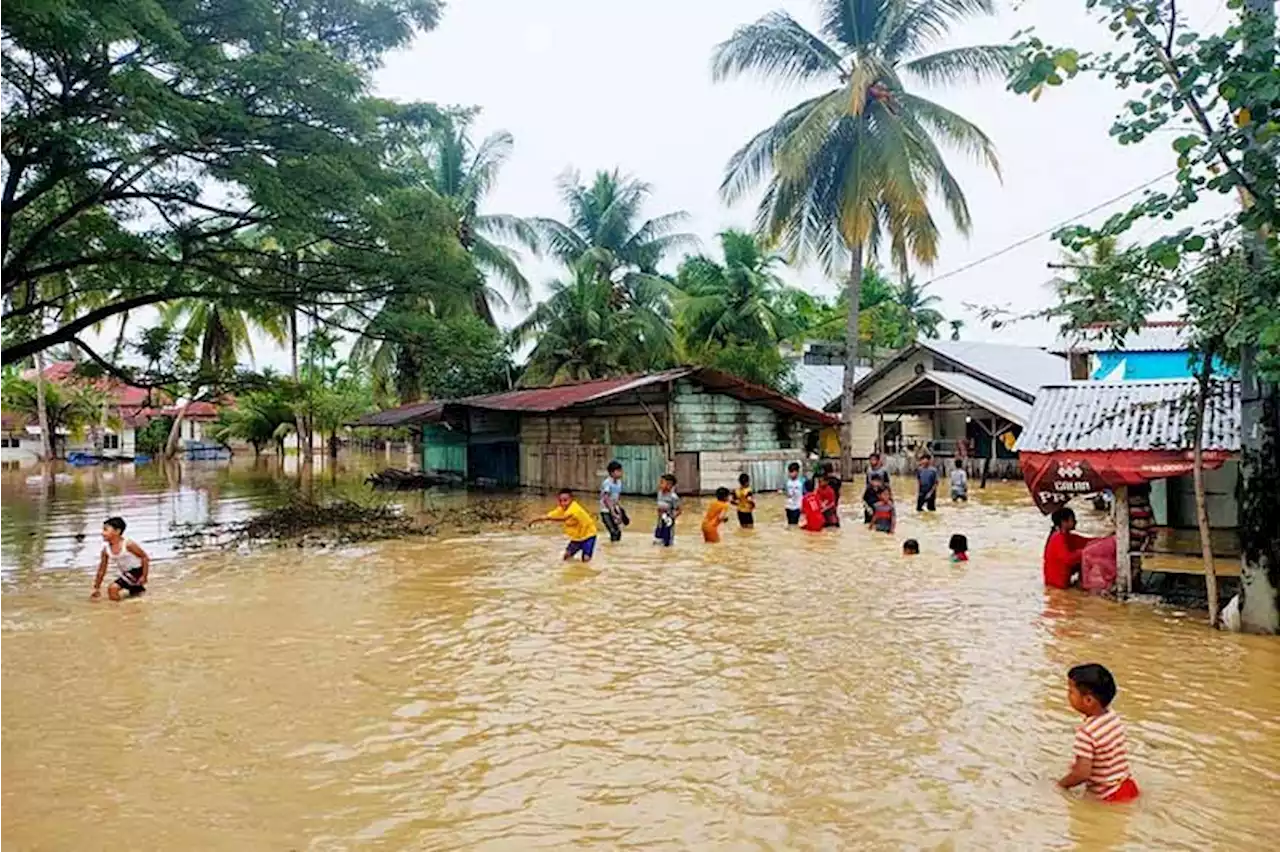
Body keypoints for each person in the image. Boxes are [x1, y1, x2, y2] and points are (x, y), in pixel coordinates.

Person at [1058, 663, 1140, 803]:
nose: (1068, 695)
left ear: (1088, 700)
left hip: (1108, 796)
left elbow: (1082, 774)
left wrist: (1060, 785)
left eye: (1071, 691)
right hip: (1127, 786)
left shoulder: (1086, 733)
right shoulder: (1112, 716)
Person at [529, 489, 599, 562]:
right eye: (560, 501)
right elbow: (549, 515)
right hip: (577, 537)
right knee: (566, 557)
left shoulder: (575, 508)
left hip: (588, 535)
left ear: (571, 500)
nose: (563, 503)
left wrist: (547, 518)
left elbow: (563, 518)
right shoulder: (562, 509)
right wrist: (535, 519)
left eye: (565, 500)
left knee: (586, 558)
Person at [93, 516, 150, 600]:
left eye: (105, 530)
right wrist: (97, 587)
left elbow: (145, 557)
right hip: (126, 573)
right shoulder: (106, 550)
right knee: (136, 595)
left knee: (112, 589)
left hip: (137, 571)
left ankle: (116, 609)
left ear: (117, 531)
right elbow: (102, 570)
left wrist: (144, 576)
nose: (102, 533)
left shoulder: (128, 544)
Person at [1044, 507, 1094, 589]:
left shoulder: (1066, 536)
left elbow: (1086, 541)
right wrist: (1085, 552)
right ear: (1064, 522)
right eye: (1073, 519)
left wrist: (1106, 539)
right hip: (1057, 585)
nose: (1075, 522)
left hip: (1061, 582)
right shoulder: (1058, 537)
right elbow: (1068, 559)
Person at [598, 460, 627, 543]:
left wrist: (619, 511)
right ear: (612, 472)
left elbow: (616, 498)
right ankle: (611, 549)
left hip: (614, 509)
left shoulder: (619, 482)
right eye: (619, 471)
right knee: (613, 532)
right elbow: (606, 499)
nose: (621, 473)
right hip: (606, 511)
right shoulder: (607, 483)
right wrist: (612, 512)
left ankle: (614, 550)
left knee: (618, 532)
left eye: (621, 471)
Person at [654, 473, 681, 547]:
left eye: (662, 483)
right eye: (660, 482)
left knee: (667, 542)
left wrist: (671, 517)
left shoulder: (673, 497)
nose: (660, 485)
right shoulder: (659, 493)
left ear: (669, 485)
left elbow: (679, 510)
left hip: (668, 521)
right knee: (657, 539)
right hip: (660, 520)